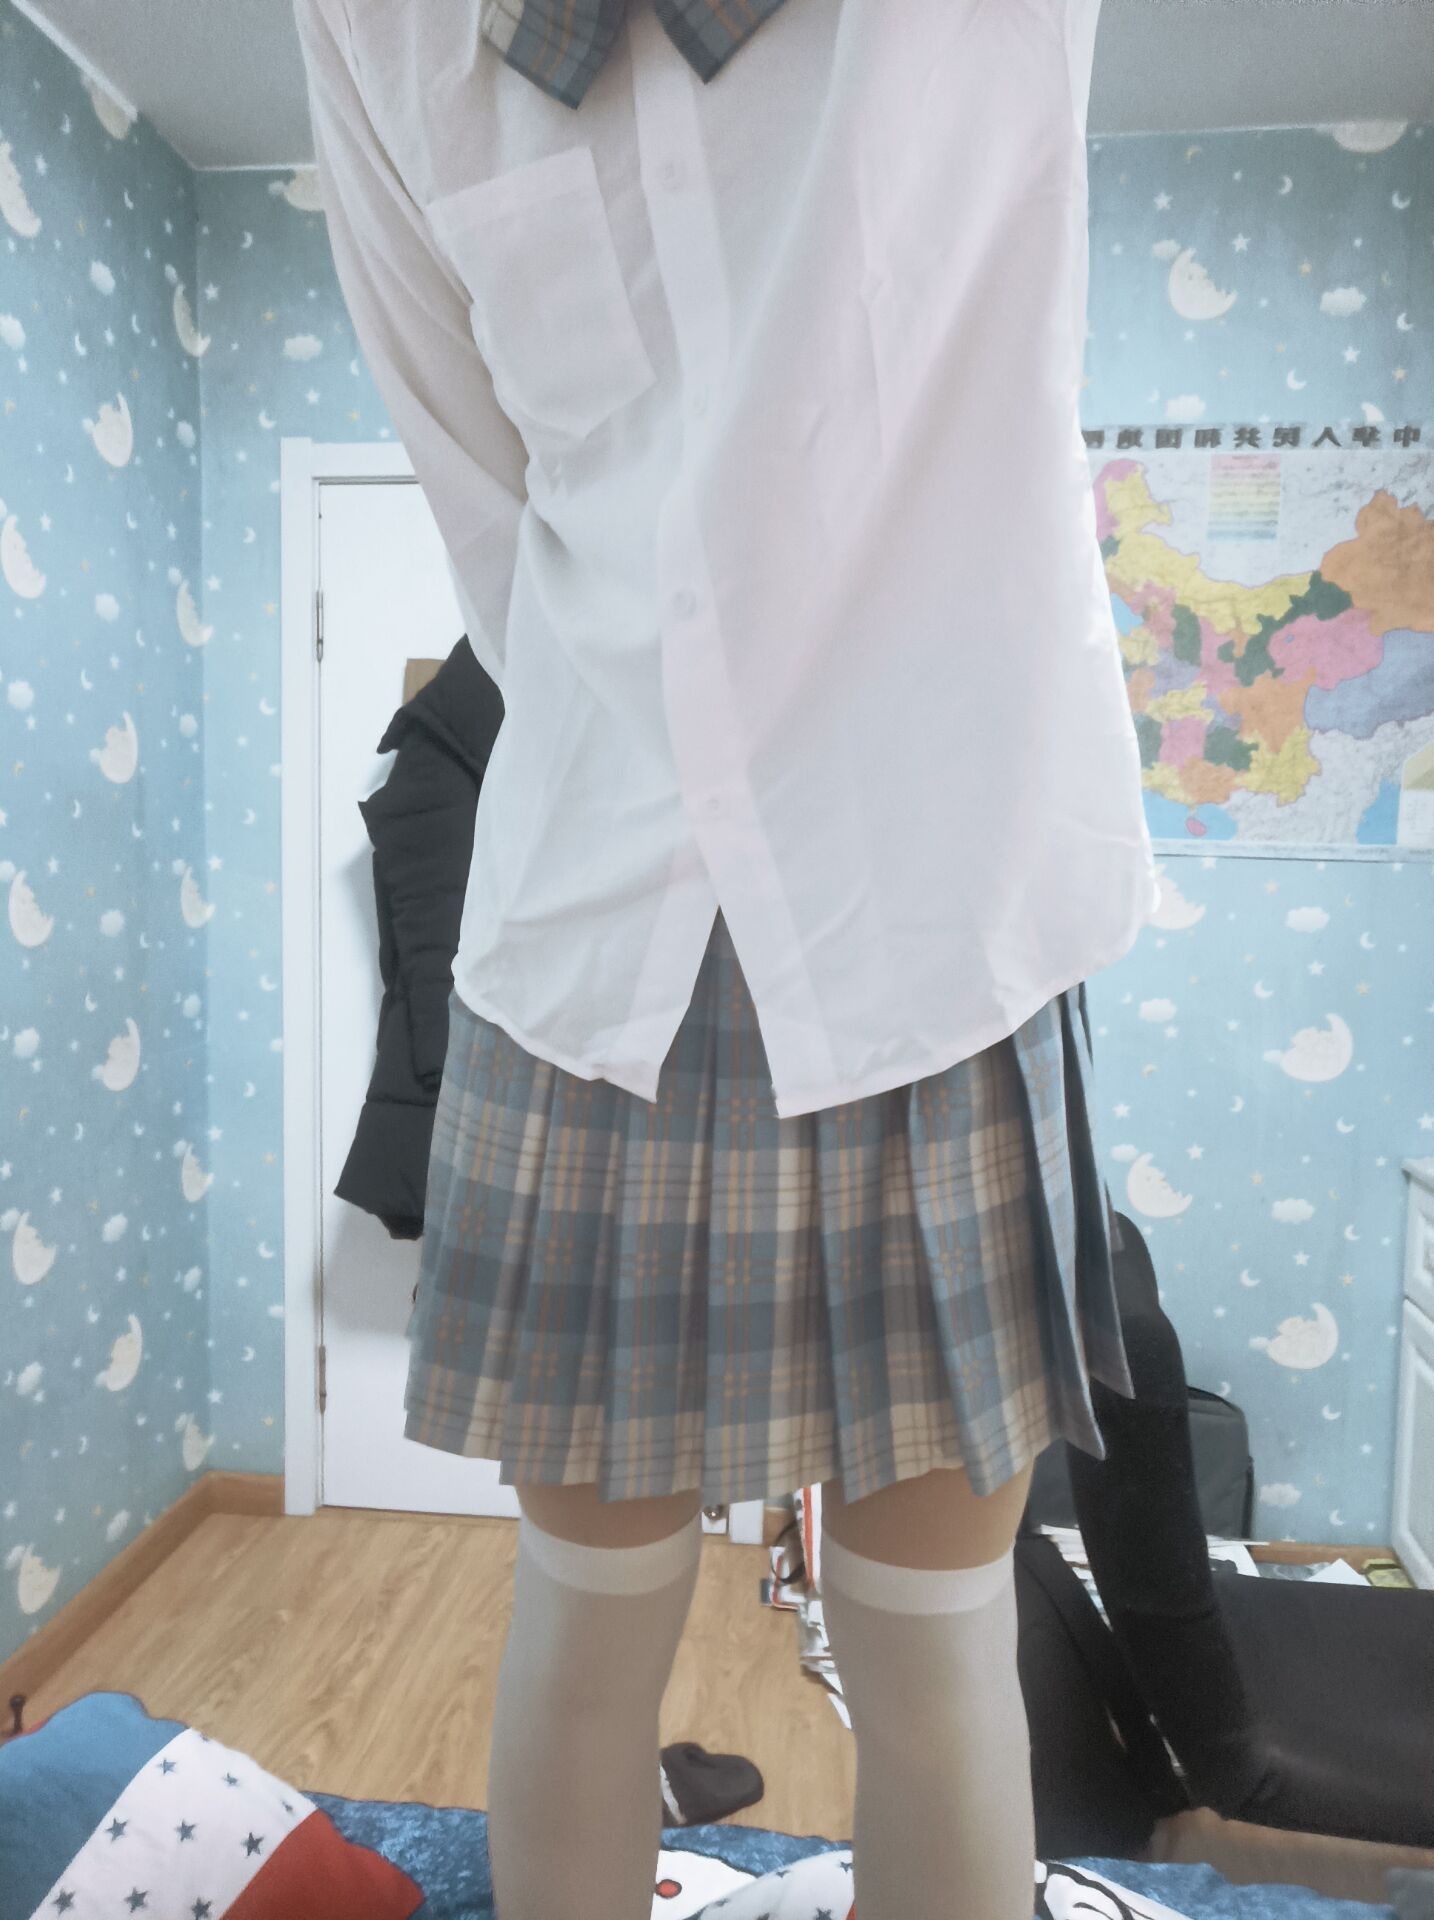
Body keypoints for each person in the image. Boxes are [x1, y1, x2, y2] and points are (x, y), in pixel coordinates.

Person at [292, 3, 1161, 1916]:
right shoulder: (373, 17)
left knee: (933, 1640)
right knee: (583, 1612)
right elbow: (482, 493)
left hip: (935, 918)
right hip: (593, 932)